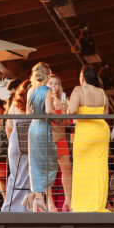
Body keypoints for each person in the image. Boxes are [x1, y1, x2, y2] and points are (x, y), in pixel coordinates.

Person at [67, 65, 110, 212]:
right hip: (101, 131)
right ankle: (98, 205)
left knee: (82, 168)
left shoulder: (78, 90)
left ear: (82, 77)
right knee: (99, 168)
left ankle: (82, 205)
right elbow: (106, 112)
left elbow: (72, 110)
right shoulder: (102, 92)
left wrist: (67, 107)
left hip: (85, 131)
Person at [27, 62, 58, 212]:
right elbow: (48, 110)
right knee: (50, 162)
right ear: (48, 74)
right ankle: (38, 196)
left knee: (36, 162)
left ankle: (37, 196)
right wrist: (60, 116)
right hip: (43, 128)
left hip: (32, 128)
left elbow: (28, 114)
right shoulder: (46, 90)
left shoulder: (30, 90)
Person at [2, 80, 32, 212]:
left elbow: (8, 127)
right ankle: (24, 209)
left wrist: (13, 143)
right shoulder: (34, 107)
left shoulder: (14, 105)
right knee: (29, 177)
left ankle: (9, 208)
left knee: (14, 177)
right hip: (31, 145)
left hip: (15, 144)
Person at [48, 75, 73, 211]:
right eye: (51, 83)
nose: (54, 86)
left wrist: (64, 115)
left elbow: (67, 124)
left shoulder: (64, 101)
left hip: (61, 137)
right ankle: (50, 202)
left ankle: (68, 200)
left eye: (57, 83)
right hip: (49, 138)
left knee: (66, 169)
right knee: (49, 171)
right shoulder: (44, 101)